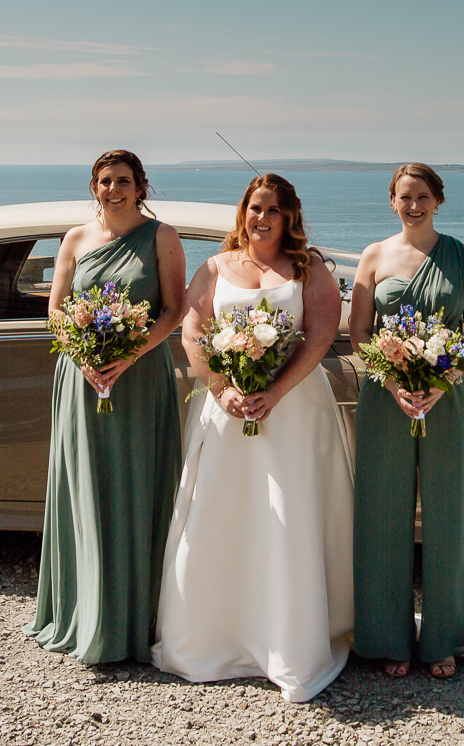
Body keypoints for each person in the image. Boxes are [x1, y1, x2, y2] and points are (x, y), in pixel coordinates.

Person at [151, 174, 354, 702]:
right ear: (242, 213)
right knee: (224, 513)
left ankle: (291, 641)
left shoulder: (309, 269)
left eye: (271, 210)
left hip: (294, 411)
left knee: (289, 515)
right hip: (228, 410)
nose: (260, 218)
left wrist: (278, 390)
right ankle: (215, 636)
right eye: (253, 208)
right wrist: (221, 390)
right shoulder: (215, 269)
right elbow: (193, 333)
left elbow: (323, 334)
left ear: (288, 217)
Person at [27, 150, 188, 664]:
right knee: (87, 487)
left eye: (123, 181)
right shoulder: (75, 239)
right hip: (81, 378)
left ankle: (139, 619)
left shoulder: (163, 237)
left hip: (140, 379)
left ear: (141, 186)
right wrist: (86, 358)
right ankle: (87, 613)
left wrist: (126, 356)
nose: (113, 189)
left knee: (138, 485)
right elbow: (55, 311)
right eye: (104, 181)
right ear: (93, 187)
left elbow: (173, 310)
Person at [347, 162, 464, 678]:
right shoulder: (374, 256)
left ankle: (444, 639)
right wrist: (390, 381)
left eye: (423, 195)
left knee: (450, 514)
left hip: (448, 397)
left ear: (438, 200)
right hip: (385, 401)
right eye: (405, 196)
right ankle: (388, 638)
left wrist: (441, 379)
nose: (414, 205)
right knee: (383, 515)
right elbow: (359, 333)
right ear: (392, 201)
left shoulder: (463, 257)